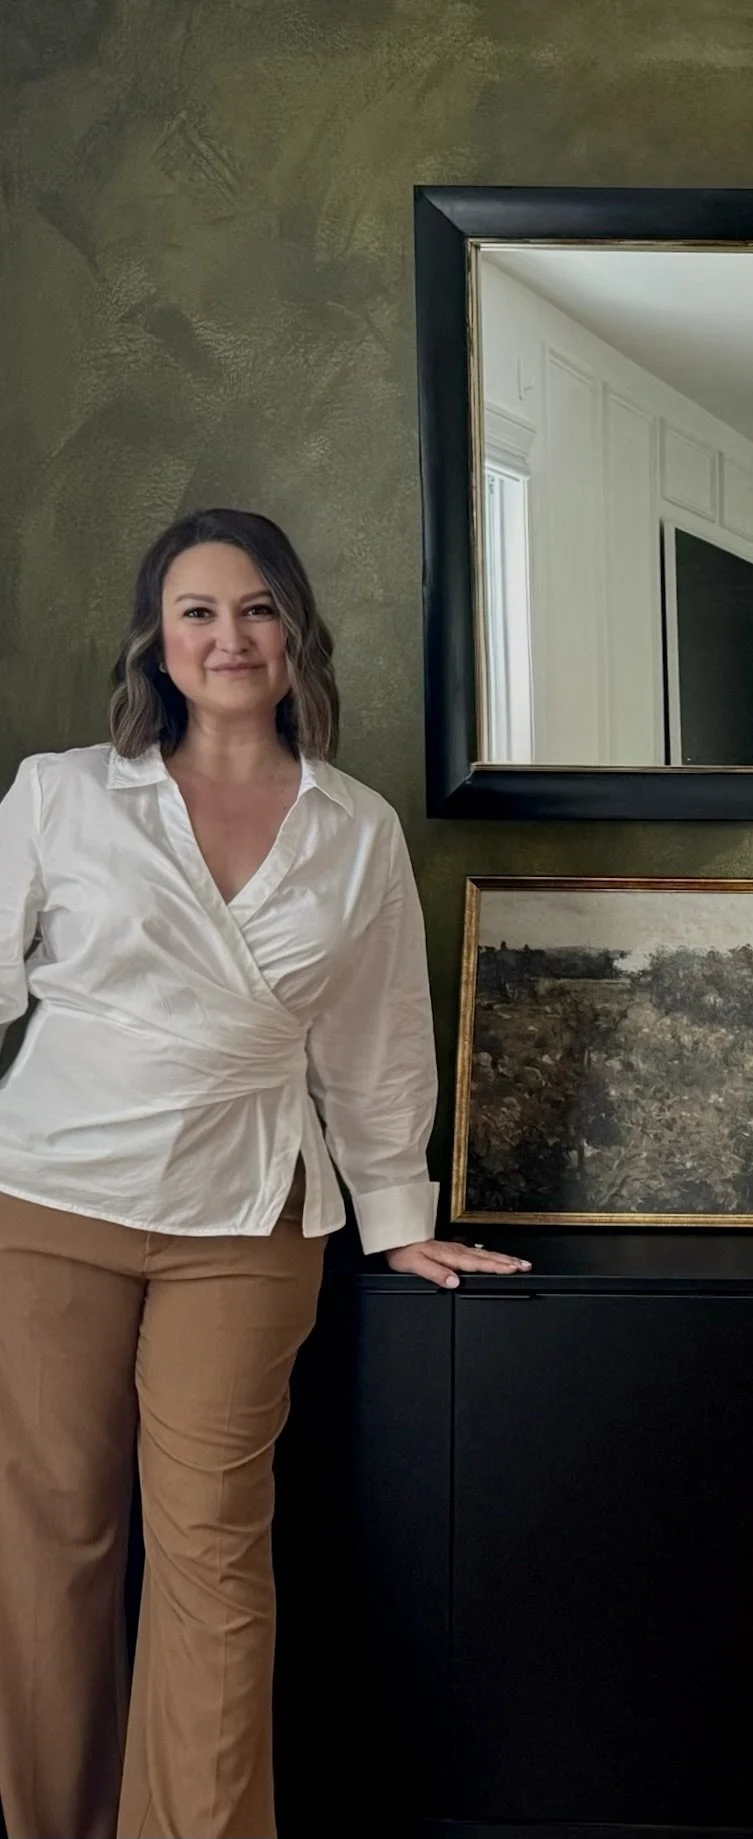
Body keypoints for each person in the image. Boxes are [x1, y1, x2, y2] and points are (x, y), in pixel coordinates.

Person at [0, 509, 528, 1839]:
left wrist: (398, 1212)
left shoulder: (355, 831)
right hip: (49, 1204)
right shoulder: (62, 794)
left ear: (293, 631)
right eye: (196, 611)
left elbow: (378, 1039)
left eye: (254, 608)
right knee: (50, 1547)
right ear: (157, 642)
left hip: (247, 1216)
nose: (228, 637)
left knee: (213, 1553)